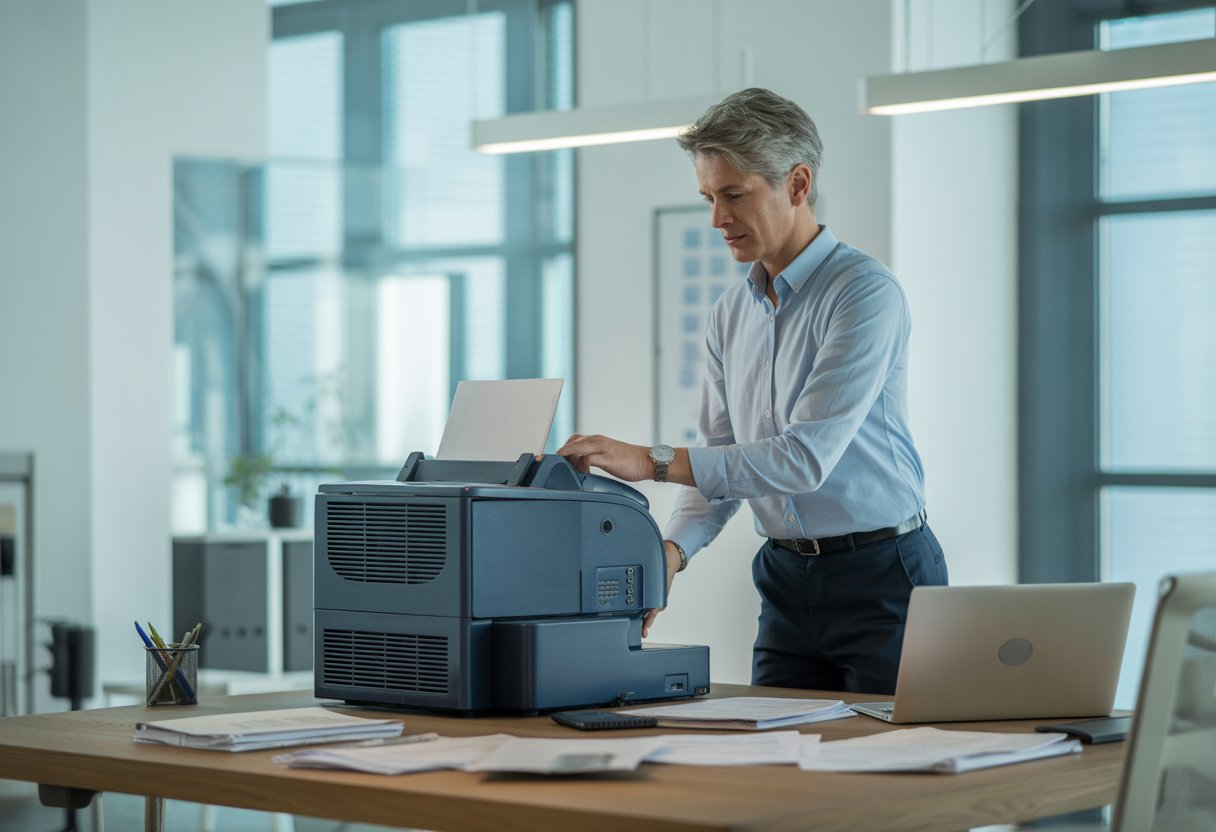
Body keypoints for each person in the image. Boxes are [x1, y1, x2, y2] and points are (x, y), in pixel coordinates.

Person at [557, 87, 947, 695]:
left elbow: (802, 460)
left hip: (884, 576)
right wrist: (670, 554)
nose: (717, 219)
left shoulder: (864, 293)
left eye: (734, 195)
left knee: (893, 768)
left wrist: (649, 460)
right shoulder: (728, 314)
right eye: (709, 198)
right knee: (774, 761)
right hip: (785, 579)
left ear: (797, 184)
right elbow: (721, 459)